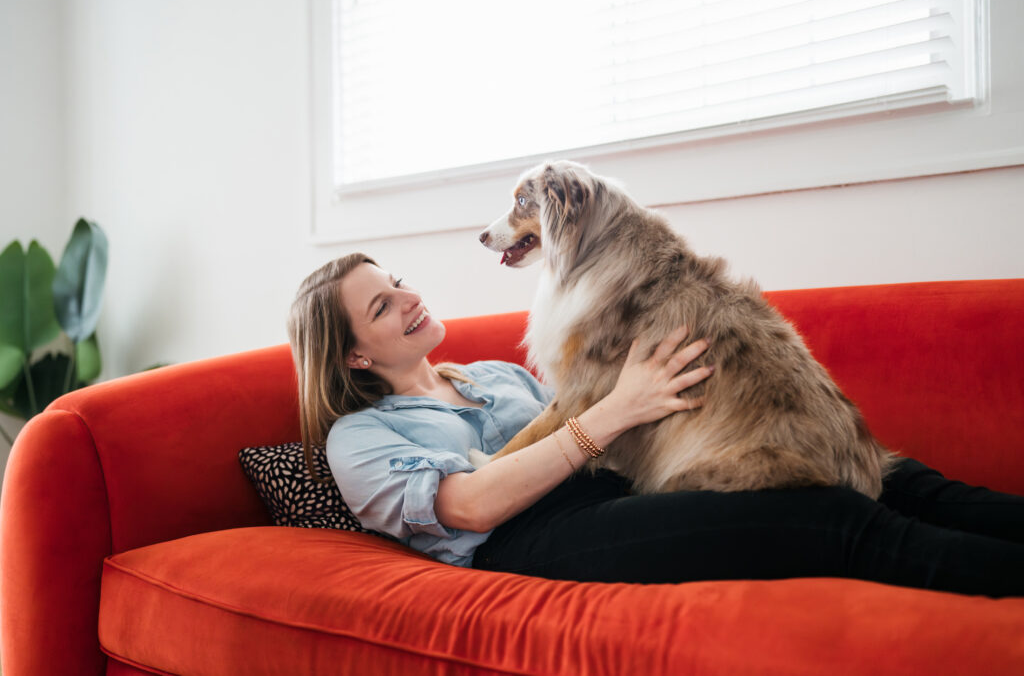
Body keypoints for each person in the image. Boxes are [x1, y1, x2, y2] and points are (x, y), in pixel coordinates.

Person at [287, 252, 1024, 597]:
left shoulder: (491, 376)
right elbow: (471, 505)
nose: (408, 297)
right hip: (532, 537)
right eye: (382, 306)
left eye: (396, 282)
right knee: (825, 516)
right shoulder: (360, 437)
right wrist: (616, 409)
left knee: (890, 475)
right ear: (352, 353)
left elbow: (600, 408)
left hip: (622, 484)